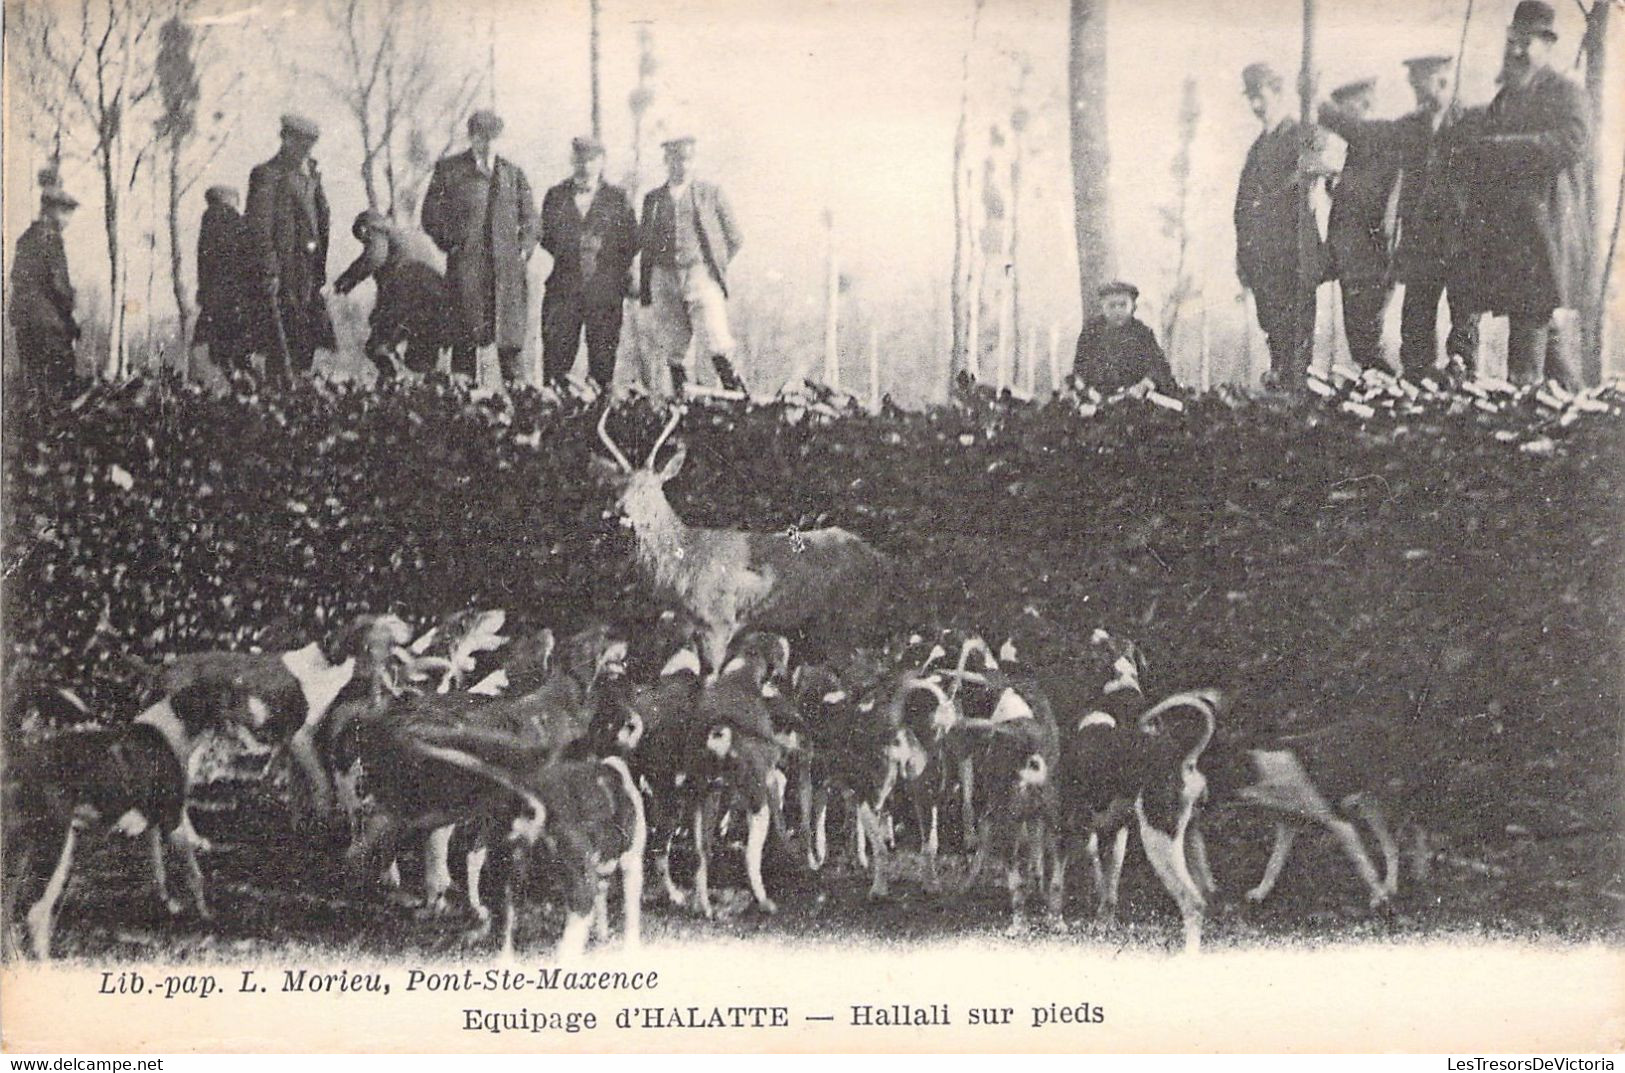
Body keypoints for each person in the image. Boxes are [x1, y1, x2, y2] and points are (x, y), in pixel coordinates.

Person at [1449, 0, 1591, 387]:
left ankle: (1527, 418)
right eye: (1512, 41)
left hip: (1541, 231)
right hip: (1506, 235)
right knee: (1539, 332)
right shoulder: (1505, 97)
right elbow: (1481, 150)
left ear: (1548, 45)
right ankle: (1575, 411)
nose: (1516, 51)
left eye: (1525, 43)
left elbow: (1572, 142)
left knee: (1528, 342)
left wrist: (1501, 148)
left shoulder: (1565, 92)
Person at [421, 109, 539, 386]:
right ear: (471, 138)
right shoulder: (449, 171)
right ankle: (465, 415)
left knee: (510, 349)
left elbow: (532, 220)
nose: (487, 145)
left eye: (493, 139)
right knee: (464, 343)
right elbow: (430, 215)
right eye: (481, 138)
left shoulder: (513, 174)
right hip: (467, 272)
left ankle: (521, 413)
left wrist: (523, 249)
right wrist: (451, 243)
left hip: (506, 275)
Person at [1234, 62, 1326, 393]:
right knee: (1273, 324)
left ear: (1277, 93)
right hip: (1262, 255)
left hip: (1293, 249)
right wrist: (1242, 256)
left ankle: (1298, 388)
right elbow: (1242, 207)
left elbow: (1318, 149)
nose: (1256, 106)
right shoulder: (1257, 147)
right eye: (1252, 99)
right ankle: (1282, 380)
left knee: (1296, 324)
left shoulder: (1298, 134)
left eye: (1261, 97)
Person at [1389, 54, 1480, 380]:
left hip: (1462, 240)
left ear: (1442, 80)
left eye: (1419, 83)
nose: (1414, 90)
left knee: (1465, 319)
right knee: (1415, 321)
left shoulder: (1472, 121)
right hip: (1421, 241)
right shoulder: (1412, 127)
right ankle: (1416, 380)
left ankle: (1462, 380)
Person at [638, 135, 745, 396]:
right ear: (666, 161)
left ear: (693, 160)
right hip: (664, 276)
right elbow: (646, 244)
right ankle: (682, 400)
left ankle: (739, 396)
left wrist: (713, 266)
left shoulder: (710, 193)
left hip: (699, 273)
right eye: (675, 159)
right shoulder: (653, 199)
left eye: (686, 159)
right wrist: (648, 284)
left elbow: (735, 237)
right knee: (674, 344)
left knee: (715, 337)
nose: (681, 165)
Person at [539, 136, 637, 391]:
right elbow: (547, 238)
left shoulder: (617, 198)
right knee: (555, 367)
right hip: (563, 290)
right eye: (580, 160)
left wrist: (608, 270)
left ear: (602, 162)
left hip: (604, 293)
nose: (585, 166)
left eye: (592, 160)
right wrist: (573, 256)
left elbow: (630, 241)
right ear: (573, 161)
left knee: (602, 369)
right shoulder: (556, 195)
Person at [1318, 78, 1402, 373]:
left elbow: (1367, 197)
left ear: (1364, 105)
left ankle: (1387, 390)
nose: (1341, 116)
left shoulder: (1379, 137)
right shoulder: (1360, 148)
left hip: (1371, 259)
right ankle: (1377, 389)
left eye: (1346, 107)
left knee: (1368, 342)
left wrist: (1336, 180)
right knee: (1361, 343)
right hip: (1354, 259)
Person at [245, 114, 334, 384]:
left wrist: (320, 271)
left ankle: (300, 398)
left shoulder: (311, 176)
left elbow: (321, 221)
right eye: (300, 144)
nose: (306, 151)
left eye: (310, 145)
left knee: (304, 342)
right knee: (282, 346)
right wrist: (269, 271)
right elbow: (259, 229)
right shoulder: (268, 174)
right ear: (285, 140)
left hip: (309, 275)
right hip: (284, 274)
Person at [333, 209, 450, 381]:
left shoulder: (377, 230)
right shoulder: (409, 236)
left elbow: (375, 257)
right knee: (421, 357)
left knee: (377, 346)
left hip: (409, 288)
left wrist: (348, 279)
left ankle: (390, 380)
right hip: (437, 295)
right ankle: (431, 395)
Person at [8, 177, 82, 401]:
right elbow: (59, 285)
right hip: (49, 328)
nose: (68, 219)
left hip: (24, 324)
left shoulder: (24, 239)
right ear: (51, 210)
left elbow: (16, 278)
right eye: (66, 212)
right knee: (59, 390)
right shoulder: (51, 238)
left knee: (33, 386)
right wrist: (73, 314)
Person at [1071, 281, 1176, 395]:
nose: (1117, 311)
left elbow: (1160, 367)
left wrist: (1145, 384)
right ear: (1103, 307)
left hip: (1136, 398)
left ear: (1133, 307)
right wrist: (1087, 391)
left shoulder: (1142, 333)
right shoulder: (1090, 334)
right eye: (1112, 305)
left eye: (1123, 305)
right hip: (1099, 398)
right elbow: (1079, 371)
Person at [194, 185, 253, 379]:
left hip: (213, 295)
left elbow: (203, 263)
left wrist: (203, 292)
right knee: (238, 345)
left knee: (218, 346)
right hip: (237, 295)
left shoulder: (208, 221)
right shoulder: (236, 222)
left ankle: (232, 381)